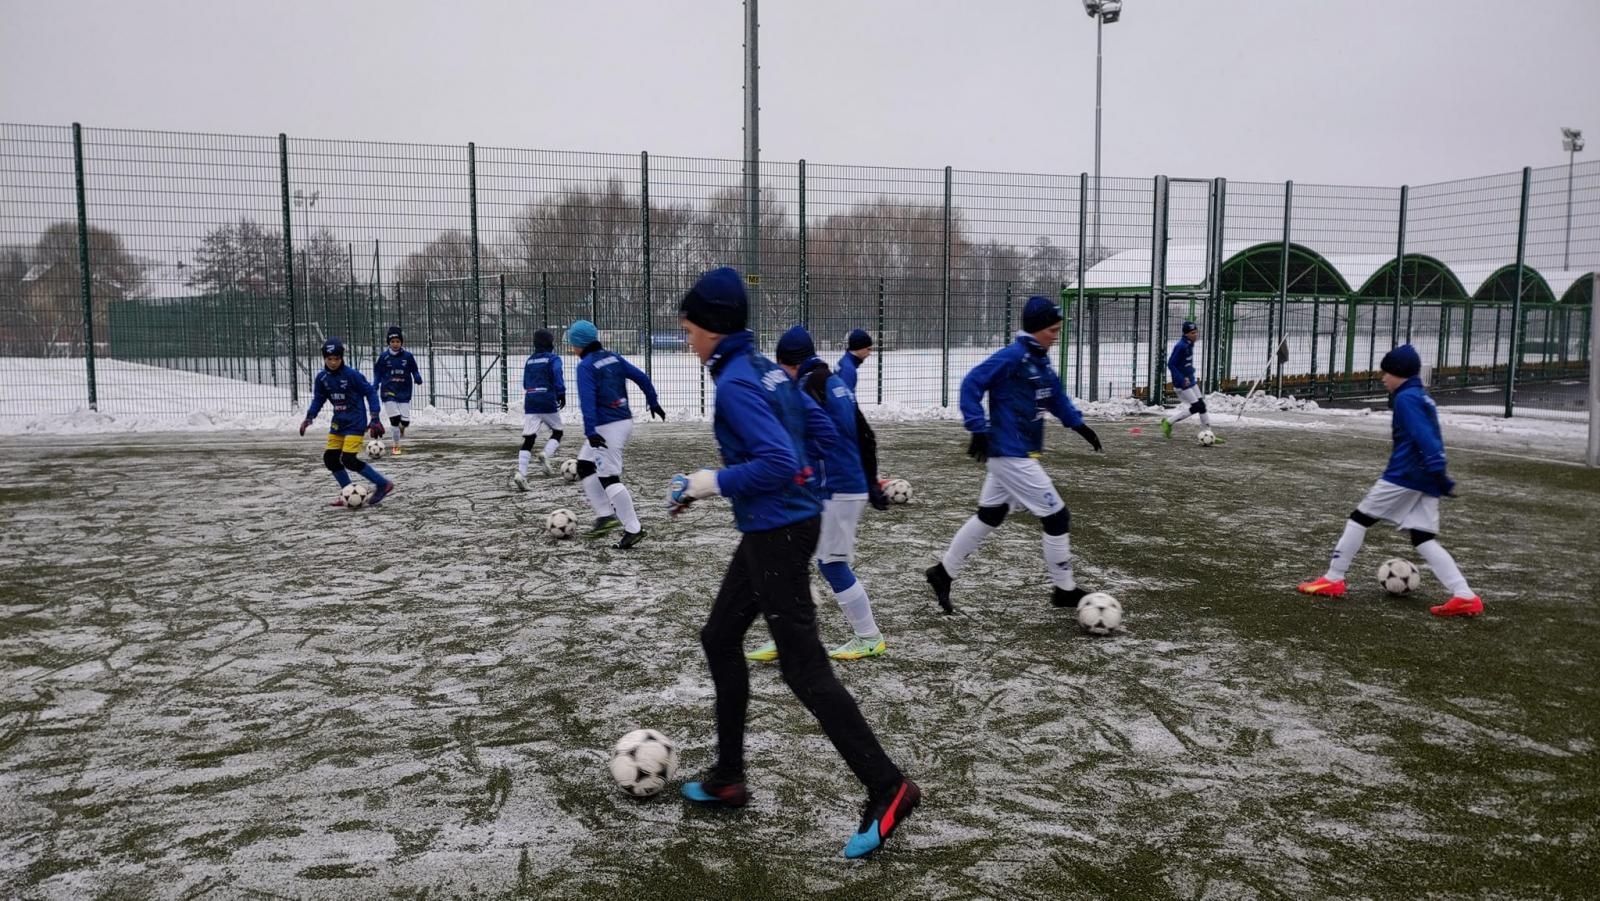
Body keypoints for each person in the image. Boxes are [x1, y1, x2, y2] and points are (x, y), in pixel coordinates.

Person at [669, 267, 919, 860]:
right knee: (719, 636)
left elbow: (778, 460)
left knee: (804, 670)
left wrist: (709, 482)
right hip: (780, 525)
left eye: (688, 328)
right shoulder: (762, 371)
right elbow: (823, 438)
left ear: (712, 325)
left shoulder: (734, 381)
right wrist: (817, 489)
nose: (687, 338)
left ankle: (889, 787)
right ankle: (729, 775)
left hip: (777, 532)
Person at [924, 296, 1102, 614]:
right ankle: (1064, 590)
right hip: (1010, 454)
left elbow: (1056, 399)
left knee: (989, 516)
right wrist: (977, 428)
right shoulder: (1012, 357)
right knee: (1057, 517)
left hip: (1018, 453)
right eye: (1052, 329)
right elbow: (971, 384)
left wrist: (1080, 426)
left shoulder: (1041, 361)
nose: (1056, 335)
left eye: (1059, 329)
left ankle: (942, 573)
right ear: (1035, 329)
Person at [1297, 344, 1483, 617]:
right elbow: (1431, 436)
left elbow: (1425, 437)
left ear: (1399, 373)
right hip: (1424, 477)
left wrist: (1437, 467)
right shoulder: (1419, 396)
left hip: (1405, 475)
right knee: (1423, 538)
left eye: (1386, 372)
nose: (1382, 378)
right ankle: (1464, 595)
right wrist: (1436, 473)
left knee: (1359, 519)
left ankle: (1334, 578)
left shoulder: (1407, 399)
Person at [746, 325, 887, 664]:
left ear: (789, 362)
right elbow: (866, 435)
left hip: (837, 489)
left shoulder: (811, 386)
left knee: (831, 563)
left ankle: (869, 637)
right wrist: (870, 482)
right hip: (838, 487)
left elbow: (816, 438)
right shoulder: (832, 381)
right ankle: (788, 635)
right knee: (793, 557)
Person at [569, 319, 664, 549]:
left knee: (609, 477)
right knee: (584, 465)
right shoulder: (613, 357)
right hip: (621, 420)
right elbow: (641, 377)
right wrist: (653, 401)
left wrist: (590, 431)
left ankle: (634, 528)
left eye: (572, 342)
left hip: (605, 427)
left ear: (580, 343)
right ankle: (605, 516)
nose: (571, 348)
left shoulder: (586, 366)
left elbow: (588, 401)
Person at [299, 337, 394, 506]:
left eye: (337, 358)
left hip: (355, 423)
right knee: (330, 459)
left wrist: (375, 417)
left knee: (349, 460)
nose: (333, 362)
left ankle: (383, 484)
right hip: (338, 423)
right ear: (324, 359)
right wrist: (309, 417)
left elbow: (371, 393)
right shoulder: (322, 378)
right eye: (329, 359)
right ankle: (347, 493)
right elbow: (318, 399)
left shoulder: (352, 375)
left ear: (342, 358)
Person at [513, 328, 565, 490]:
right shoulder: (553, 359)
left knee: (529, 439)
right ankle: (545, 454)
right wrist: (561, 392)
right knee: (558, 431)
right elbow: (557, 374)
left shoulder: (530, 360)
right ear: (550, 343)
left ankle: (521, 474)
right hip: (546, 399)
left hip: (531, 401)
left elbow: (525, 384)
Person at [1160, 321, 1220, 443]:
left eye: (1196, 332)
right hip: (1182, 383)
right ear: (1186, 334)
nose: (1195, 335)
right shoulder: (1181, 346)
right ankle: (1169, 422)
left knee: (1201, 406)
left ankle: (1208, 434)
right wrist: (1181, 379)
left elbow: (1185, 363)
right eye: (1192, 333)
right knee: (1197, 406)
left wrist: (1190, 370)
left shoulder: (1189, 344)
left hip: (1190, 380)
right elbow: (1171, 364)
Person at [372, 326, 423, 455]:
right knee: (394, 419)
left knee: (405, 421)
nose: (395, 344)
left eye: (397, 341)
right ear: (388, 343)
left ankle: (402, 427)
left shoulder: (408, 356)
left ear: (401, 342)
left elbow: (414, 369)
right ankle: (396, 445)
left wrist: (417, 377)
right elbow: (378, 372)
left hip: (404, 391)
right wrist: (376, 383)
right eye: (392, 341)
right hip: (388, 390)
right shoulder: (384, 357)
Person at [837, 328, 873, 393]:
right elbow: (846, 400)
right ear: (860, 348)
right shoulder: (848, 369)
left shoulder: (845, 362)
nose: (869, 353)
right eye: (868, 349)